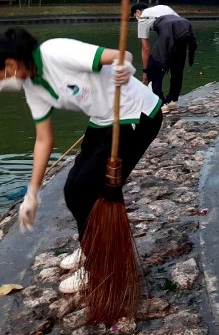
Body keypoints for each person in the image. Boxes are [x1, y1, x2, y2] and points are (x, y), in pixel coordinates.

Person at [1, 27, 163, 294]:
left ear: (10, 64)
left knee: (89, 188)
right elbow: (43, 140)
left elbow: (118, 54)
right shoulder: (33, 87)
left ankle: (100, 266)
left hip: (136, 114)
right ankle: (92, 245)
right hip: (103, 120)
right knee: (72, 189)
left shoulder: (56, 52)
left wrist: (124, 66)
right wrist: (32, 193)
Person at [130, 3, 197, 110]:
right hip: (186, 26)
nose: (136, 19)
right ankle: (172, 100)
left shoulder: (142, 17)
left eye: (135, 17)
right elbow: (177, 23)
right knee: (177, 66)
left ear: (137, 12)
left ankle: (160, 104)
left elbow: (146, 49)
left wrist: (145, 70)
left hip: (169, 28)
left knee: (154, 66)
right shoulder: (163, 7)